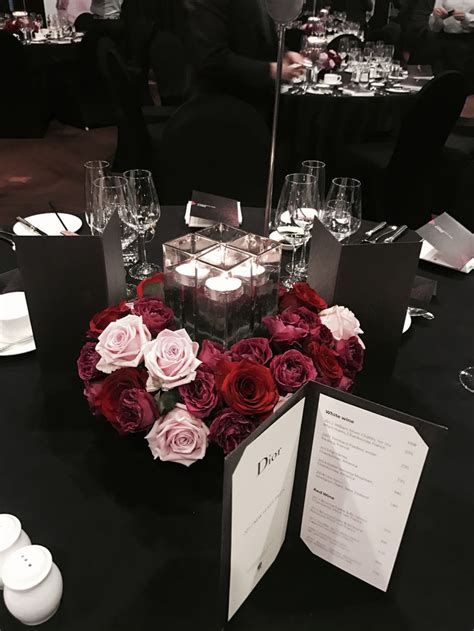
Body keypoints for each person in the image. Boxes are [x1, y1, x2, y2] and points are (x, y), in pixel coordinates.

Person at [186, 0, 305, 110]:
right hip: (220, 107)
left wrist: (283, 54)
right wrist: (271, 70)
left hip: (258, 104)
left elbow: (260, 35)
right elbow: (211, 59)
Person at [429, 0, 474, 90]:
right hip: (445, 42)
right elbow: (434, 27)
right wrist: (438, 17)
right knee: (442, 82)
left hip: (469, 43)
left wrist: (466, 18)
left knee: (465, 85)